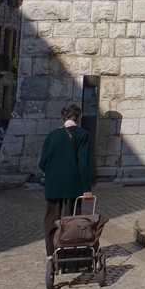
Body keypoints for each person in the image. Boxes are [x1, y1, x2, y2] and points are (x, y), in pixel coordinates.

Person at [39, 103, 92, 256]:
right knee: (71, 220)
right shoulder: (82, 135)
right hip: (72, 186)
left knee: (51, 219)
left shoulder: (52, 136)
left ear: (63, 118)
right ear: (79, 118)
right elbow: (83, 163)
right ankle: (70, 251)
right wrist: (87, 188)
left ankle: (51, 253)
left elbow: (42, 163)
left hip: (53, 186)